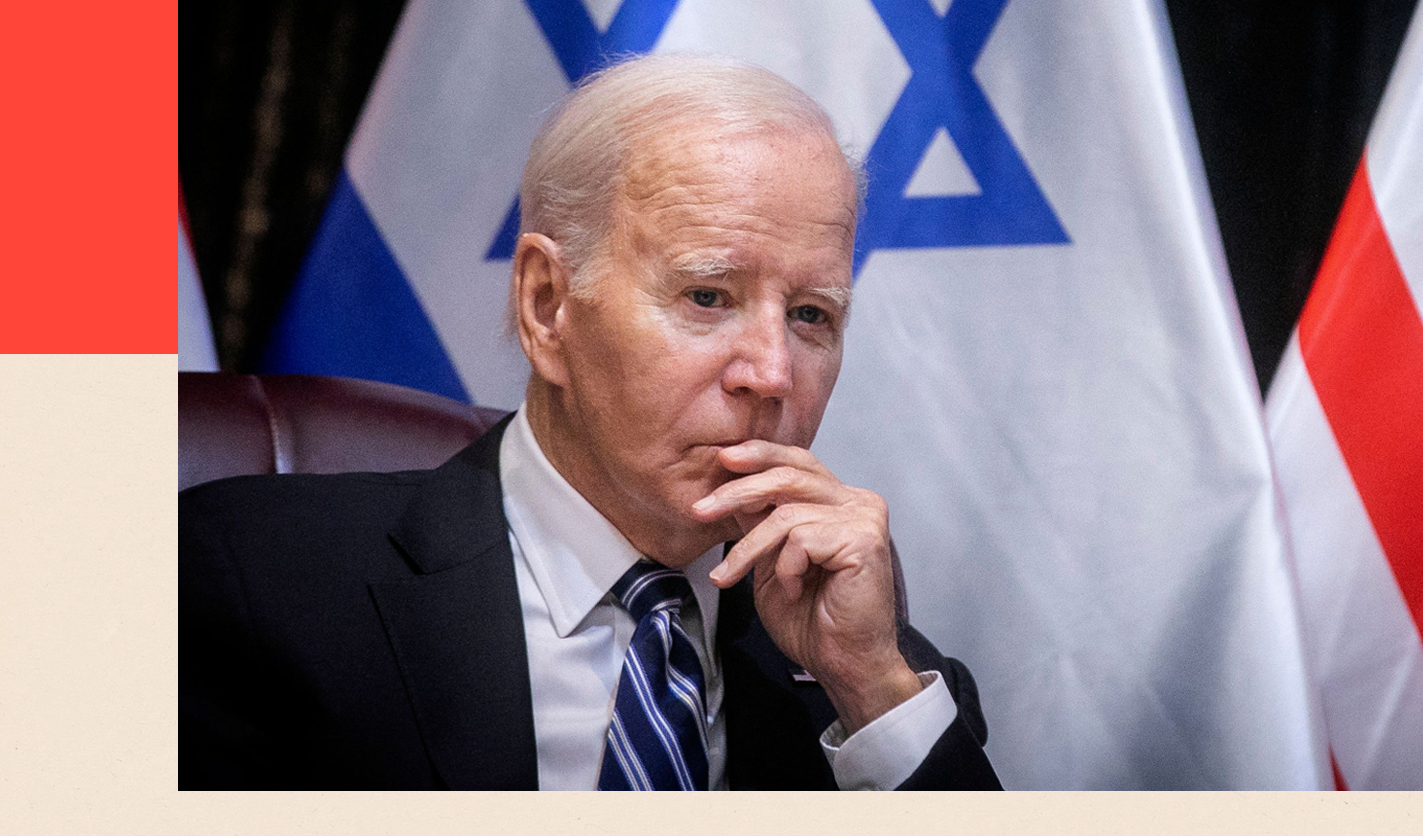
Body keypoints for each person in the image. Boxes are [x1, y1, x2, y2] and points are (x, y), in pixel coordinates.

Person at [179, 54, 1000, 790]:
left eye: (812, 315)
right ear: (547, 305)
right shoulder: (252, 583)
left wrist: (868, 686)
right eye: (707, 296)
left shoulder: (879, 685)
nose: (773, 374)